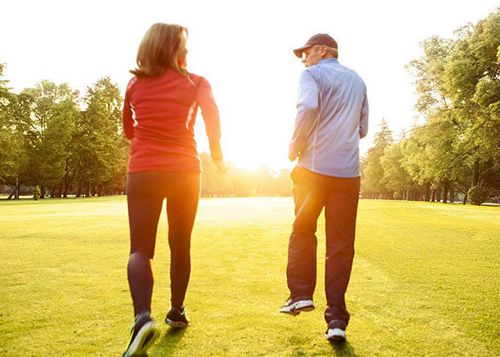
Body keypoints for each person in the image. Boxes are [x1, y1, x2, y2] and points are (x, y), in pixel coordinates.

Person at [121, 23, 223, 356]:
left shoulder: (134, 84)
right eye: (183, 46)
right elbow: (212, 114)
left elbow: (128, 131)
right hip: (184, 172)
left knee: (140, 249)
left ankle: (142, 318)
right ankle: (176, 312)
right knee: (180, 245)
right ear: (171, 49)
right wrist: (218, 154)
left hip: (143, 172)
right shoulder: (197, 83)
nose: (188, 52)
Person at [280, 33, 369, 342]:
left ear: (321, 50)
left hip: (313, 172)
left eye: (305, 53)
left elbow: (306, 108)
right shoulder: (358, 80)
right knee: (341, 246)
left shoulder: (311, 75)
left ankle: (301, 294)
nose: (303, 60)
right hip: (348, 174)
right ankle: (336, 321)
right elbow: (363, 128)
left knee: (303, 230)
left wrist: (294, 146)